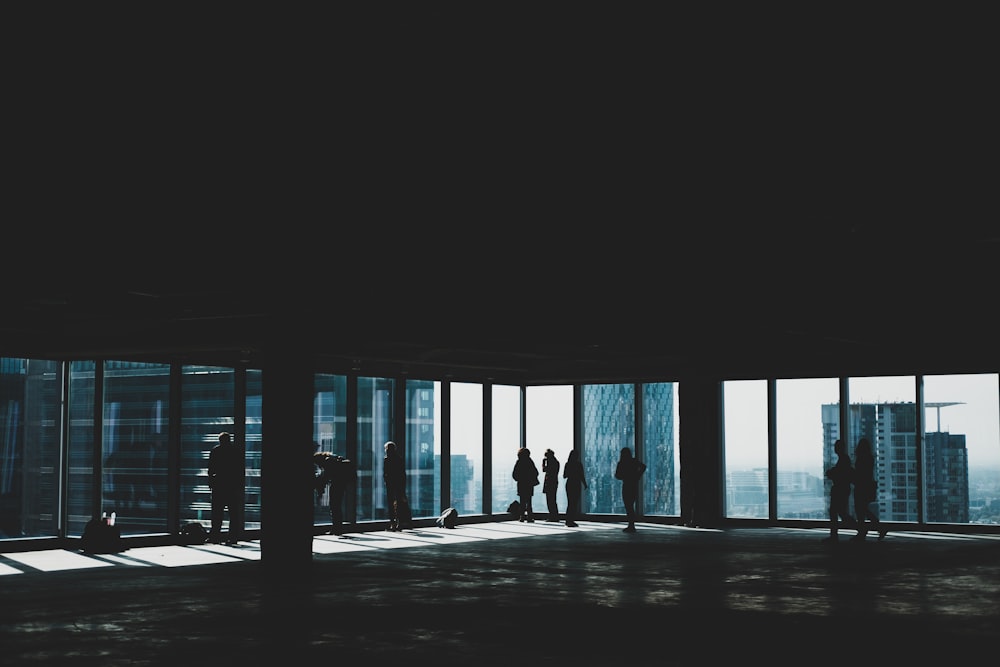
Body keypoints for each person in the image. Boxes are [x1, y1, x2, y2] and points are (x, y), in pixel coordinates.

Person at [207, 432, 244, 545]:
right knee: (233, 514)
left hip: (219, 486)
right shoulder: (236, 452)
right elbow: (240, 469)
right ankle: (233, 537)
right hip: (232, 486)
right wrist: (239, 485)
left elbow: (211, 468)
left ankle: (215, 536)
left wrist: (211, 482)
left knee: (217, 513)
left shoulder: (216, 451)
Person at [313, 451, 357, 536]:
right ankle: (337, 528)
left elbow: (325, 478)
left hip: (337, 484)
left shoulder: (327, 461)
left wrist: (319, 487)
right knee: (336, 506)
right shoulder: (334, 458)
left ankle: (337, 529)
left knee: (334, 506)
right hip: (342, 483)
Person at [852, 437, 887, 541]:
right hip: (866, 487)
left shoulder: (861, 459)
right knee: (863, 510)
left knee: (861, 511)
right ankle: (876, 529)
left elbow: (859, 474)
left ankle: (864, 531)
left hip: (860, 487)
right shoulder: (870, 458)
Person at [823, 438, 857, 542]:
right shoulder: (844, 459)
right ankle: (858, 528)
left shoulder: (843, 459)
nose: (835, 449)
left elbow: (841, 474)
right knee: (840, 512)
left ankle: (835, 535)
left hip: (840, 489)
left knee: (836, 512)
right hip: (842, 489)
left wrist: (832, 473)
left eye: (836, 447)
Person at [614, 447, 646, 533]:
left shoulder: (621, 463)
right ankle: (631, 525)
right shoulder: (633, 461)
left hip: (626, 485)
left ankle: (631, 525)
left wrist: (624, 476)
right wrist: (637, 476)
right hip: (633, 485)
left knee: (628, 506)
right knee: (630, 506)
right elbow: (643, 466)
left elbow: (617, 475)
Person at [383, 440, 410, 531]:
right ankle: (399, 523)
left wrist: (386, 481)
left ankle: (392, 524)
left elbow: (386, 473)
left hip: (390, 484)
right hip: (399, 484)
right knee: (399, 504)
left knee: (391, 504)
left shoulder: (387, 459)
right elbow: (402, 473)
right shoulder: (399, 459)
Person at [512, 447, 540, 522]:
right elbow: (536, 472)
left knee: (522, 501)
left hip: (521, 484)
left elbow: (514, 474)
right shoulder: (529, 461)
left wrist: (519, 479)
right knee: (529, 501)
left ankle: (522, 517)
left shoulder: (519, 462)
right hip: (529, 484)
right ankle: (530, 517)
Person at [562, 448, 588, 527]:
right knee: (574, 503)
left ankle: (568, 520)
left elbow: (564, 476)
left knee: (570, 503)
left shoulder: (568, 464)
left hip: (569, 484)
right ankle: (571, 520)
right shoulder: (578, 464)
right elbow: (581, 475)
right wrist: (585, 484)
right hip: (576, 484)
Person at [541, 448, 561, 521]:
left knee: (550, 500)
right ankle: (555, 515)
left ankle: (553, 516)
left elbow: (544, 470)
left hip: (549, 482)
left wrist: (543, 463)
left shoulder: (551, 463)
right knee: (553, 499)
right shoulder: (556, 462)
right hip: (554, 482)